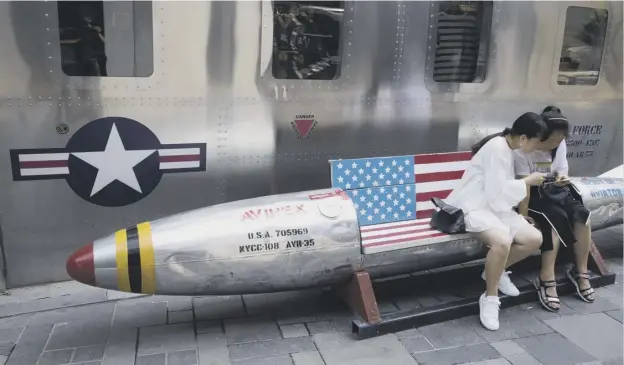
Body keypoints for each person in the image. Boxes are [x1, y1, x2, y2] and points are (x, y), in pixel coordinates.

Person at [445, 112, 546, 331]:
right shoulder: (497, 148)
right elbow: (495, 193)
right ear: (524, 138)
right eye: (536, 142)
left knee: (534, 238)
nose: (536, 148)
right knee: (502, 242)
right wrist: (527, 181)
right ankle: (490, 298)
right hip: (475, 206)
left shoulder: (507, 148)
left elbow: (499, 194)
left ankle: (496, 271)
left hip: (494, 207)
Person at [514, 106, 594, 312]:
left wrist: (561, 178)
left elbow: (561, 168)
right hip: (532, 195)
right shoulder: (525, 150)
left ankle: (581, 271)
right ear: (540, 135)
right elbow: (524, 186)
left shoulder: (559, 144)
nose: (554, 146)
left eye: (558, 142)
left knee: (582, 215)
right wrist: (523, 216)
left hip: (554, 190)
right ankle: (546, 277)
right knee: (553, 219)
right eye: (550, 142)